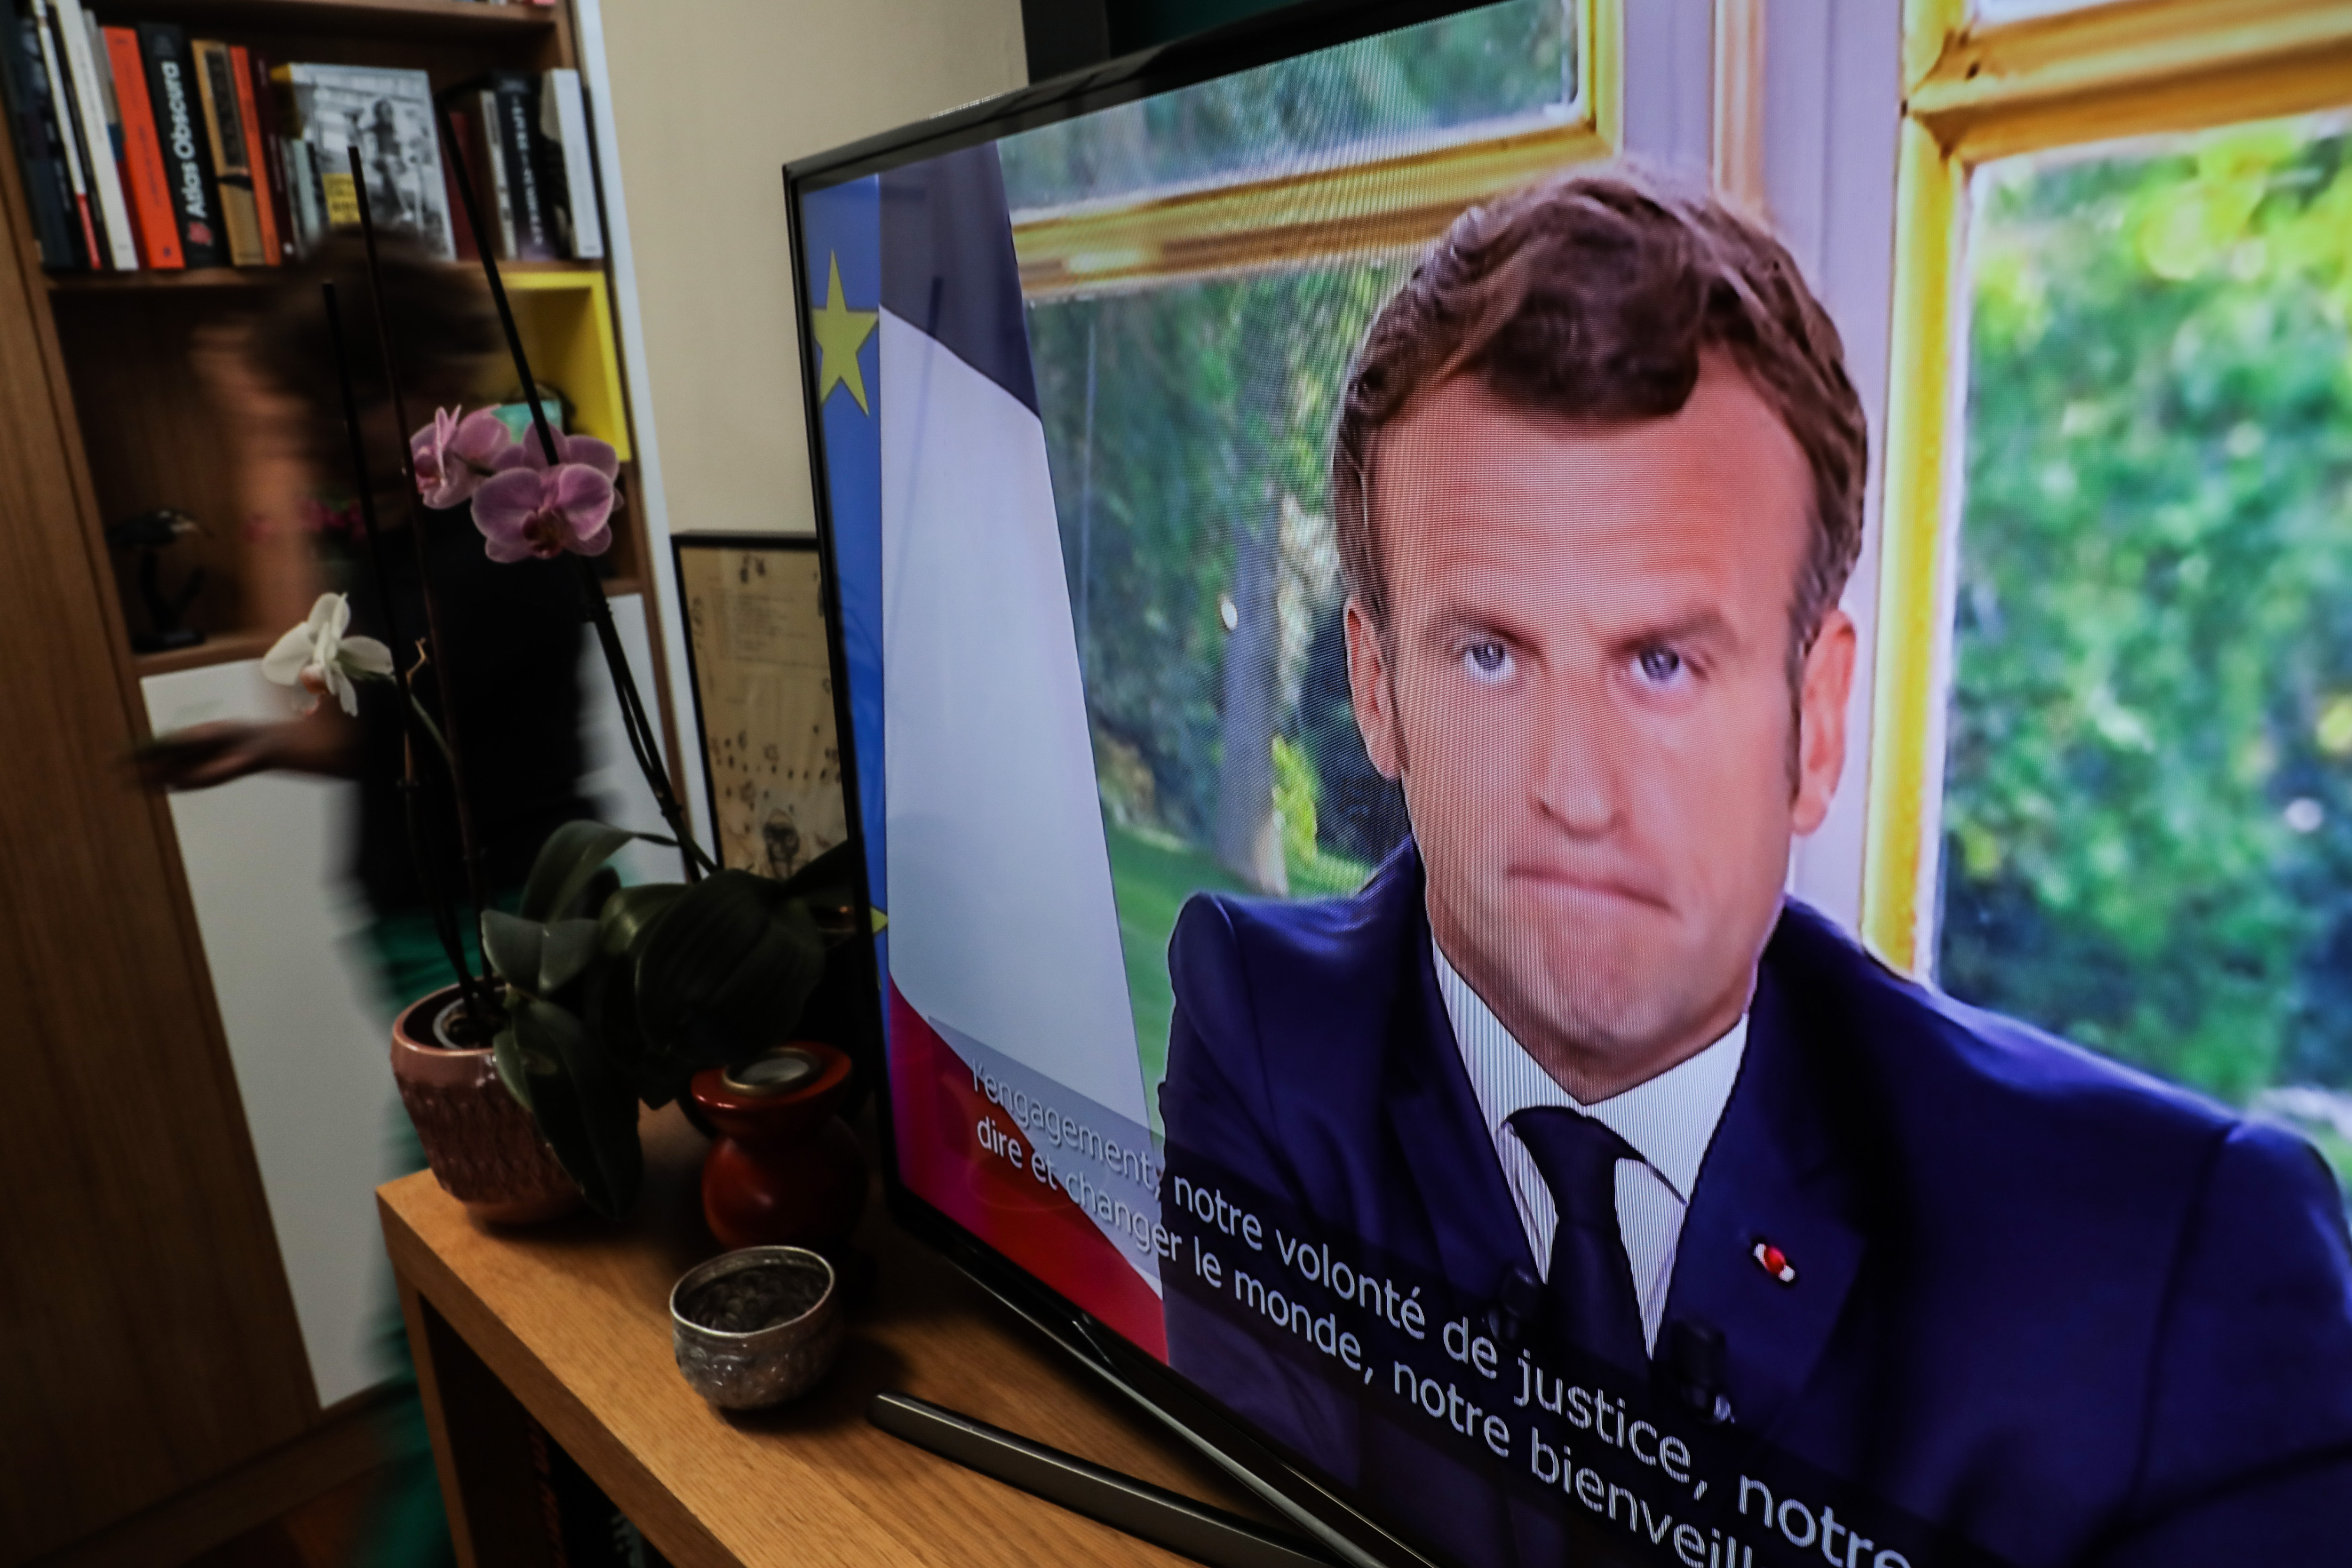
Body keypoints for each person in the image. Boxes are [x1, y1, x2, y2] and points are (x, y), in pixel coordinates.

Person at [1158, 168, 2352, 1568]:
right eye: (1491, 654)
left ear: (1818, 718)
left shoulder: (2187, 1272)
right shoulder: (1266, 1023)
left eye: (1662, 663)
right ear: (1376, 686)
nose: (1577, 794)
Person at [144, 237, 596, 1568]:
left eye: (316, 413)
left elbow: (335, 698)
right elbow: (361, 716)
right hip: (447, 946)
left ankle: (421, 1535)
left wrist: (264, 439)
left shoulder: (503, 529)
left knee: (433, 1306)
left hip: (509, 958)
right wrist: (272, 745)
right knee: (486, 1275)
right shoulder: (417, 528)